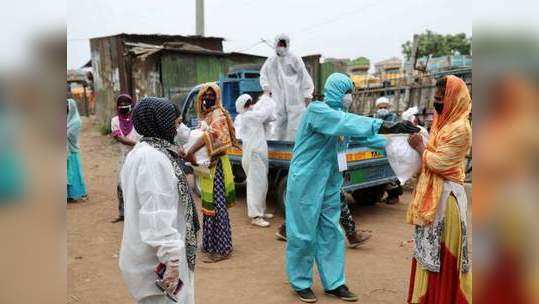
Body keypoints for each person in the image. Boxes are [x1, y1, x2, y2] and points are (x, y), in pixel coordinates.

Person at [285, 73, 418, 303]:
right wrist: (386, 124)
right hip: (305, 182)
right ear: (336, 91)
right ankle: (300, 282)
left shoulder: (342, 117)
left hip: (328, 183)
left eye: (351, 93)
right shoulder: (318, 111)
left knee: (331, 232)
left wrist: (401, 138)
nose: (350, 97)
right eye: (347, 91)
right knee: (303, 233)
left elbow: (366, 137)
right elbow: (347, 123)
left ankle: (335, 283)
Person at [119, 97, 199, 304]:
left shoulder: (144, 152)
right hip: (158, 265)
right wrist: (171, 263)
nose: (177, 128)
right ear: (160, 122)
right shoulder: (152, 158)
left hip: (153, 258)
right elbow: (156, 214)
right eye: (175, 122)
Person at [406, 75, 472, 303]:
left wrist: (420, 147)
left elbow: (440, 163)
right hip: (431, 202)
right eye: (435, 99)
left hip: (446, 202)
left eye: (440, 99)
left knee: (442, 261)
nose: (437, 103)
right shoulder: (440, 121)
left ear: (454, 100)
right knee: (428, 258)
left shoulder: (461, 128)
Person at [185, 83, 237, 263]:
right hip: (207, 167)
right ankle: (210, 244)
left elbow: (217, 136)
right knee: (208, 205)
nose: (208, 98)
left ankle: (223, 249)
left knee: (218, 206)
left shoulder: (218, 114)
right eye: (205, 96)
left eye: (211, 95)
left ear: (217, 96)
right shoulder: (206, 115)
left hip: (217, 167)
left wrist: (191, 150)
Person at [260, 34, 314, 141]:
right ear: (275, 44)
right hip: (278, 98)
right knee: (278, 123)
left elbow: (304, 75)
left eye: (283, 45)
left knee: (295, 125)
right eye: (279, 44)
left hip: (295, 97)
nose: (281, 47)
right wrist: (266, 87)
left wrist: (308, 92)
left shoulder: (294, 58)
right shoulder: (271, 61)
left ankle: (293, 148)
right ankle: (279, 148)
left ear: (287, 45)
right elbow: (263, 74)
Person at [275, 192, 372, 249]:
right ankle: (351, 234)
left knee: (313, 200)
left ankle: (285, 228)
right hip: (317, 168)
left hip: (326, 167)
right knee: (313, 200)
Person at [235, 94, 276, 227]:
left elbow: (271, 117)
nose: (250, 105)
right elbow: (264, 113)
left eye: (250, 103)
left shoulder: (252, 115)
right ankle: (255, 216)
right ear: (242, 107)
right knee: (255, 186)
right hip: (253, 156)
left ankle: (261, 211)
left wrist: (263, 102)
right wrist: (266, 99)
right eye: (247, 104)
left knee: (262, 184)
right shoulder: (247, 117)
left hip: (259, 155)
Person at [110, 94, 140, 223]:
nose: (122, 106)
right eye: (120, 104)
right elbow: (119, 138)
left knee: (138, 183)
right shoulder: (115, 121)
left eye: (125, 103)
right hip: (125, 157)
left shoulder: (137, 119)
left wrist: (140, 146)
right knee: (121, 185)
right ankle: (122, 213)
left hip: (139, 155)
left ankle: (138, 213)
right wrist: (137, 144)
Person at [374, 96, 402, 204]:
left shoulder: (393, 117)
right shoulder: (376, 117)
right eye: (380, 107)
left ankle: (395, 196)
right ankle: (385, 195)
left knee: (392, 173)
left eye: (384, 107)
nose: (382, 109)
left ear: (388, 107)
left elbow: (393, 129)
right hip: (380, 147)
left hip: (392, 147)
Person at [66, 98, 88, 202]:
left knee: (74, 173)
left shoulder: (76, 121)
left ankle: (75, 193)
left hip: (71, 151)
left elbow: (71, 135)